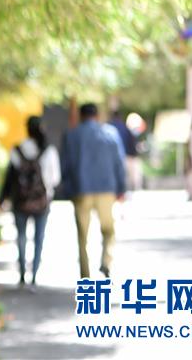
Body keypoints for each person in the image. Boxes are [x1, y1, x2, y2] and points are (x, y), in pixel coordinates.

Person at [62, 103, 126, 279]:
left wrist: (68, 190)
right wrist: (121, 188)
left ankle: (85, 274)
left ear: (81, 116)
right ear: (97, 116)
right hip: (106, 190)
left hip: (81, 190)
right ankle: (106, 262)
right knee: (108, 230)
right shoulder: (110, 134)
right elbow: (119, 163)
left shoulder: (71, 135)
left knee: (82, 235)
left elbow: (65, 166)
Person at [0, 116, 61, 287]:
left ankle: (23, 274)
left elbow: (9, 178)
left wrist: (1, 198)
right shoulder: (49, 151)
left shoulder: (17, 150)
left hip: (20, 201)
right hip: (42, 201)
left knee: (21, 236)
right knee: (39, 237)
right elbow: (55, 179)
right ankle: (35, 275)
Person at [108, 110, 142, 190]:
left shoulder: (108, 127)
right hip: (126, 155)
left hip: (112, 156)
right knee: (125, 176)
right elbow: (131, 141)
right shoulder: (125, 127)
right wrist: (134, 154)